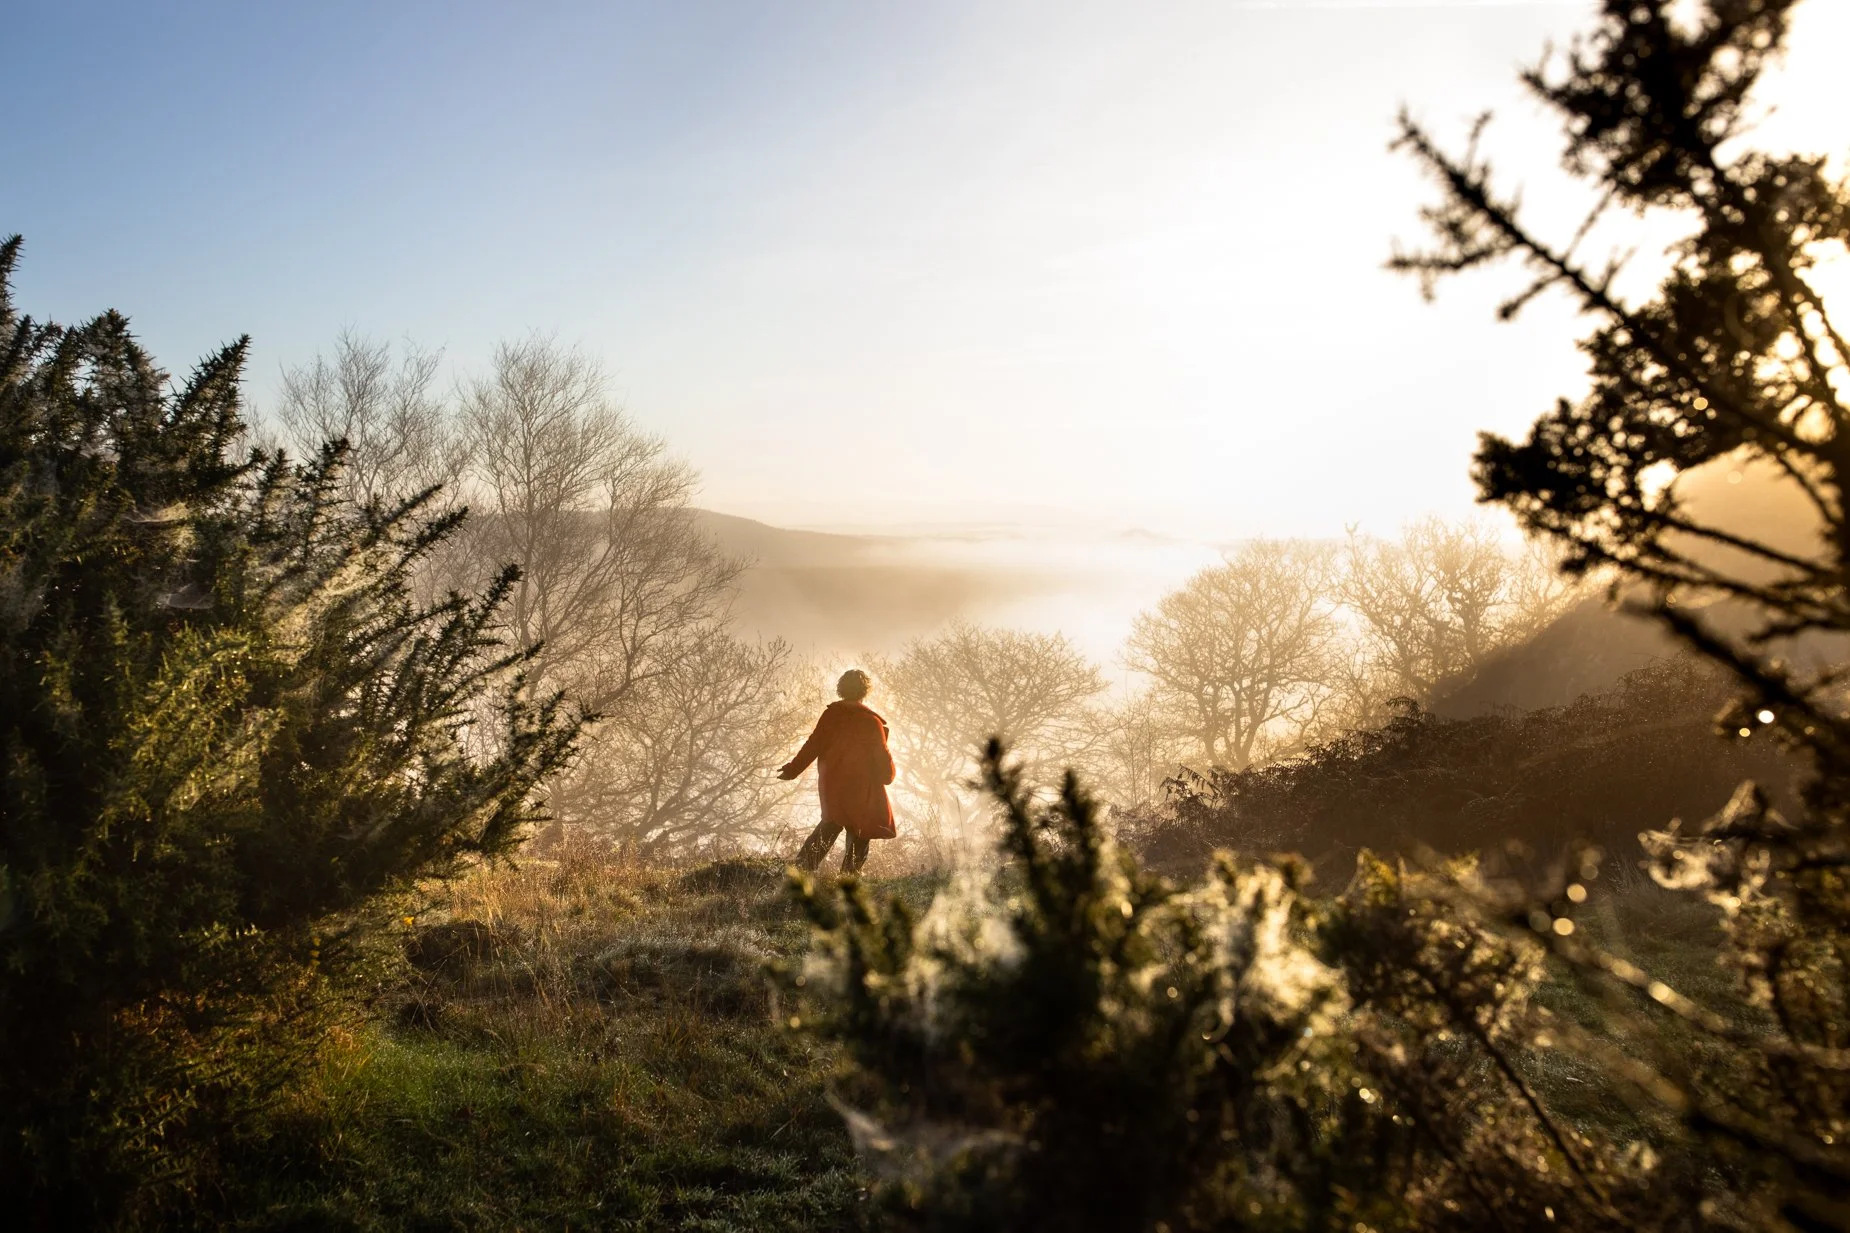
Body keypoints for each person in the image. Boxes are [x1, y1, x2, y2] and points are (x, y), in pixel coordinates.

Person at [780, 668, 897, 874]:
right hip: (861, 785)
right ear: (865, 691)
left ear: (841, 689)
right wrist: (888, 776)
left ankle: (800, 871)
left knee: (832, 822)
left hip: (832, 782)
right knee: (860, 829)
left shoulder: (830, 715)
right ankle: (848, 880)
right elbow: (882, 754)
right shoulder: (871, 722)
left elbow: (812, 745)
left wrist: (792, 769)